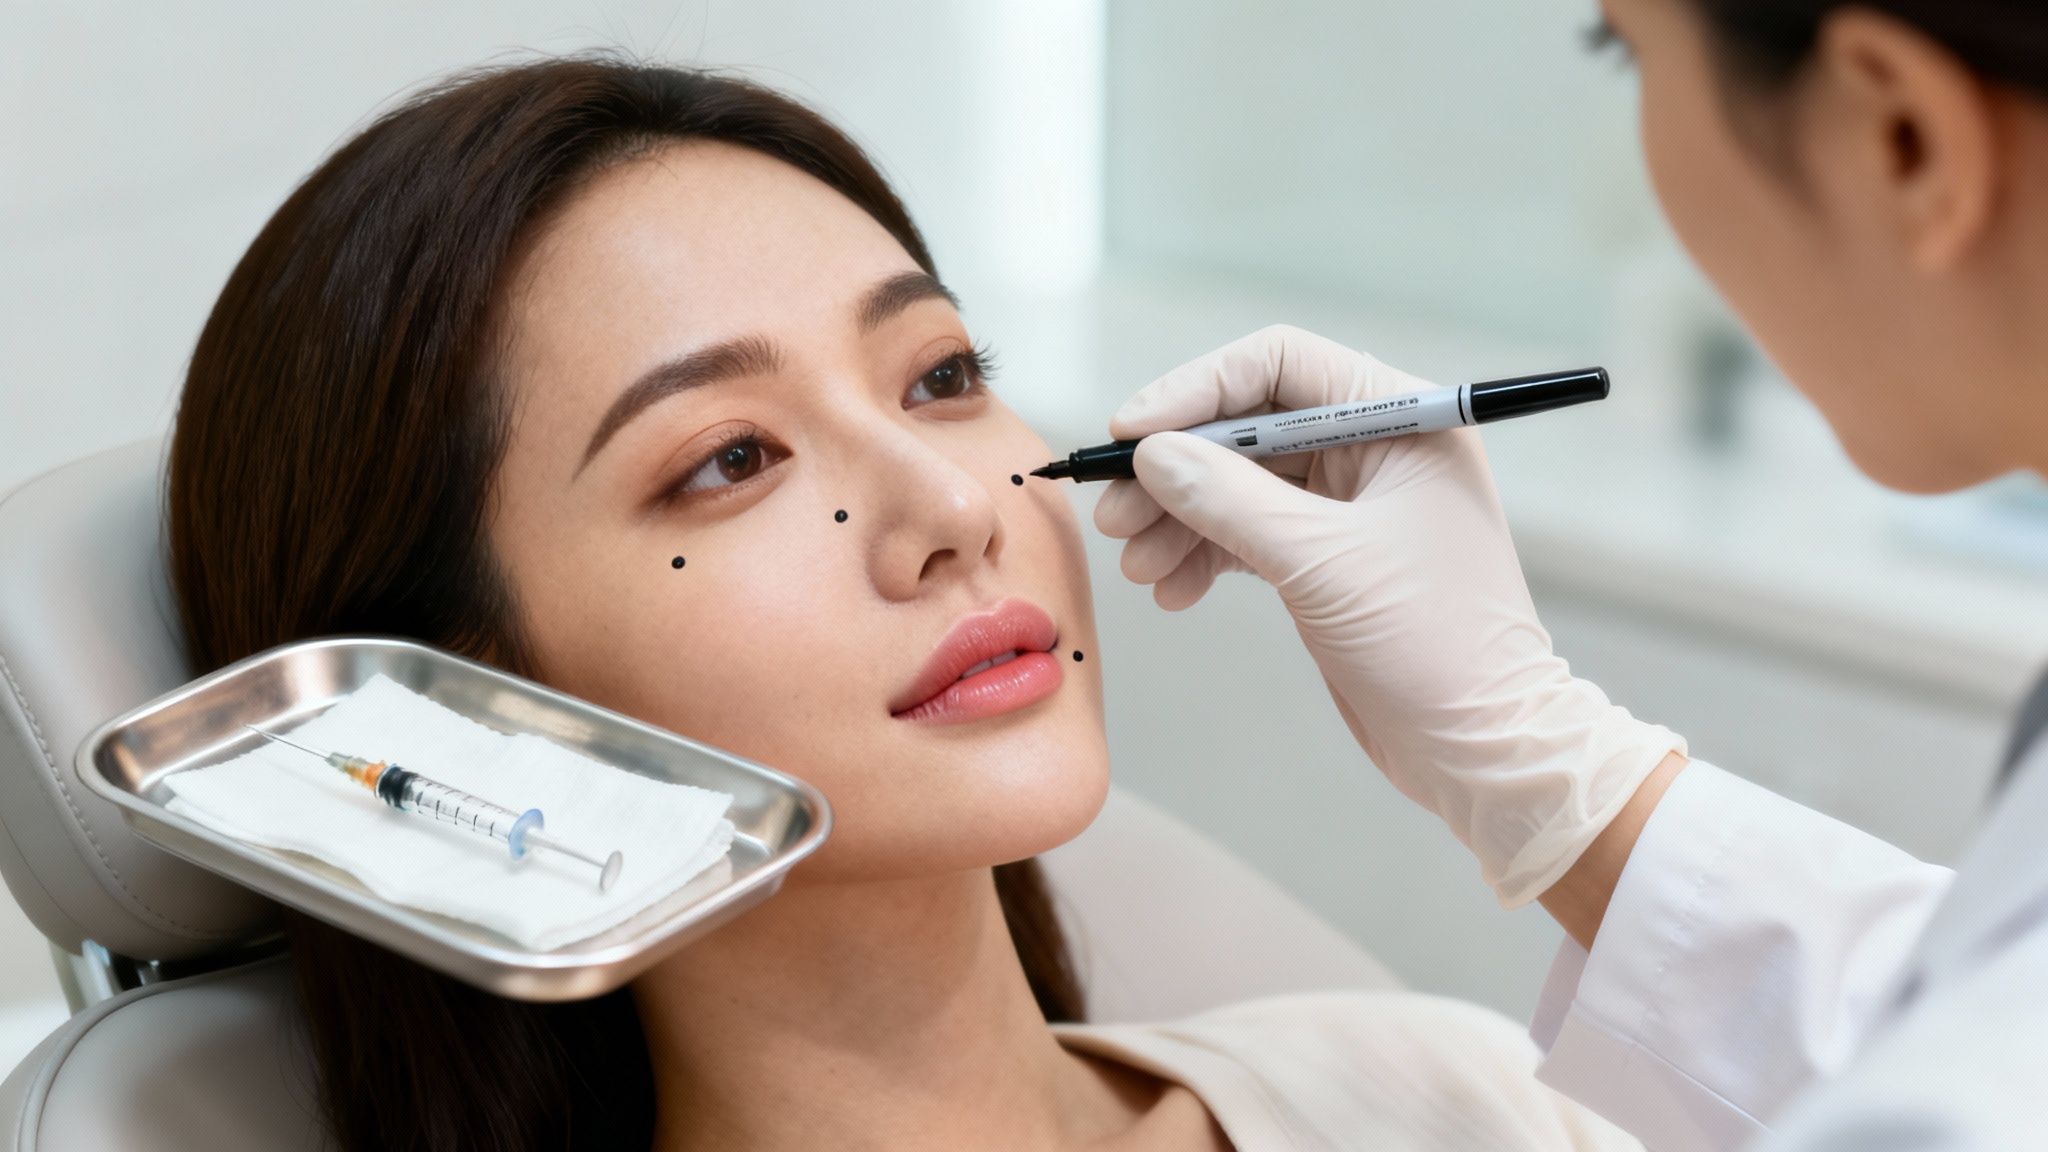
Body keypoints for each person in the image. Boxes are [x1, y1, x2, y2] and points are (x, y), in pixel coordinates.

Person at [164, 55, 1636, 1151]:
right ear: (467, 703)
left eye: (941, 377)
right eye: (730, 461)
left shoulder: (1464, 1100)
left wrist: (1564, 775)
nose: (949, 509)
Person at [1095, 2, 2048, 1149]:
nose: (949, 512)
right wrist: (1552, 769)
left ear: (1898, 134)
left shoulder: (1447, 1088)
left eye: (1627, 52)